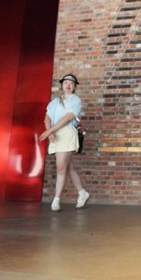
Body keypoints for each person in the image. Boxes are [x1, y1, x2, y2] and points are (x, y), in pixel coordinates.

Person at [39, 74, 90, 212]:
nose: (68, 85)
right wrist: (49, 131)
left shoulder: (75, 100)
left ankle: (56, 200)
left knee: (61, 168)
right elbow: (47, 117)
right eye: (66, 82)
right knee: (68, 167)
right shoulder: (55, 102)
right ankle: (82, 193)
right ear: (62, 85)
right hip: (55, 134)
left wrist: (50, 131)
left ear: (75, 87)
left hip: (67, 133)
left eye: (71, 83)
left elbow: (68, 118)